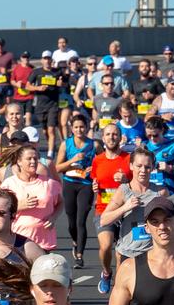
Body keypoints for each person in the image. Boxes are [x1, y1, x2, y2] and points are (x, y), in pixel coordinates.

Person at [100, 149, 165, 264]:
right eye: (138, 166)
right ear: (131, 166)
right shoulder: (124, 190)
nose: (143, 170)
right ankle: (106, 275)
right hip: (128, 253)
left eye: (147, 167)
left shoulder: (160, 192)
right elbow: (104, 220)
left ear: (153, 167)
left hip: (153, 254)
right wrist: (125, 207)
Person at [89, 124, 131, 294]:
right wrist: (94, 188)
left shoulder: (129, 158)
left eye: (115, 134)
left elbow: (138, 182)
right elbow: (95, 180)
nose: (112, 137)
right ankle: (106, 273)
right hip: (104, 209)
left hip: (126, 209)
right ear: (103, 138)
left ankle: (119, 287)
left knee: (121, 253)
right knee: (106, 246)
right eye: (108, 134)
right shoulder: (97, 159)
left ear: (120, 137)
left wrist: (126, 179)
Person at [1, 144, 63, 252]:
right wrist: (19, 205)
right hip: (18, 240)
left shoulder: (50, 184)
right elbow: (0, 210)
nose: (33, 162)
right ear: (19, 162)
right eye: (29, 159)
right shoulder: (9, 184)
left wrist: (53, 217)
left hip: (43, 241)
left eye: (35, 158)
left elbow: (61, 203)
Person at [54, 113, 96, 268]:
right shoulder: (66, 144)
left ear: (86, 128)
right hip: (70, 183)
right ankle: (74, 241)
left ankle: (79, 255)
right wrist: (72, 160)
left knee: (81, 221)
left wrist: (93, 168)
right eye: (76, 127)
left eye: (82, 127)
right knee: (71, 222)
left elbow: (100, 163)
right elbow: (57, 167)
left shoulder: (94, 145)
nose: (79, 130)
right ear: (72, 128)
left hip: (86, 185)